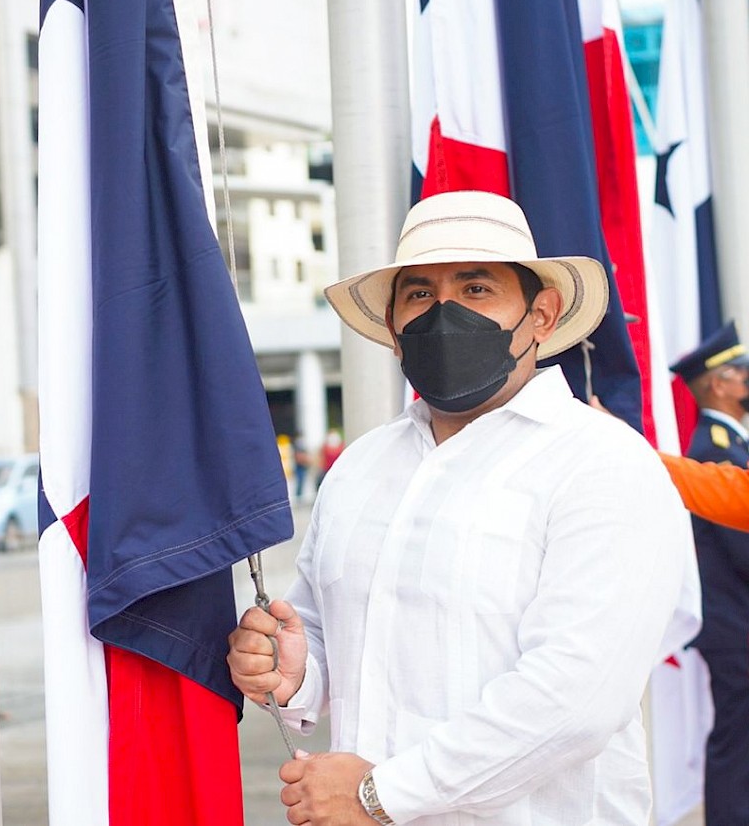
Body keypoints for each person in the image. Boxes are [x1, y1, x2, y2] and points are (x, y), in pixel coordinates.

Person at [227, 190, 694, 826]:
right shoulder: (360, 469)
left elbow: (575, 697)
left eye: (477, 289)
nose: (444, 315)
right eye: (419, 294)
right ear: (393, 329)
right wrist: (291, 672)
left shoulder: (604, 465)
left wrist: (380, 795)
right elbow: (320, 644)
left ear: (542, 315)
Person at [667, 322, 749, 825]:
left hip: (736, 622)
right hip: (735, 626)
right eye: (742, 374)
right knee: (736, 742)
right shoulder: (713, 447)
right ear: (718, 383)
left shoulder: (726, 443)